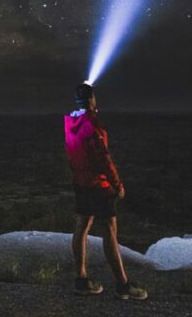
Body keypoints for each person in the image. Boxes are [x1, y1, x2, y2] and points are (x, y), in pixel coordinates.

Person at [64, 82, 148, 299]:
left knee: (81, 226)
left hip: (80, 182)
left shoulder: (70, 123)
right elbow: (104, 158)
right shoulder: (93, 125)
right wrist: (117, 185)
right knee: (109, 230)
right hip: (98, 185)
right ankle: (123, 285)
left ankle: (81, 280)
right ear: (92, 99)